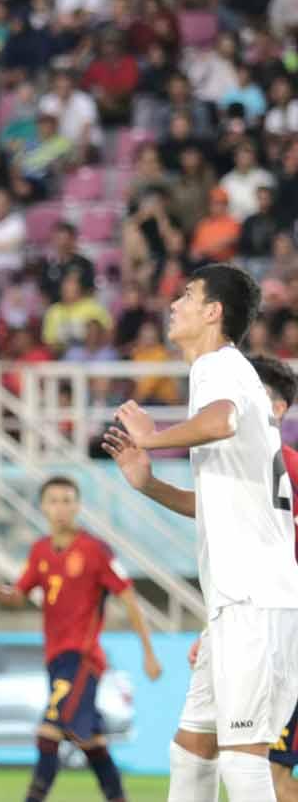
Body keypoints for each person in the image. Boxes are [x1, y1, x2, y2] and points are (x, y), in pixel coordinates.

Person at [102, 264, 298, 802]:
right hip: (239, 601)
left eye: (187, 296)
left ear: (213, 312)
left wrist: (155, 436)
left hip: (253, 599)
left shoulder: (217, 366)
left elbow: (219, 423)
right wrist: (149, 486)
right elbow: (220, 503)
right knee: (191, 752)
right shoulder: (228, 373)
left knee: (244, 760)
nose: (174, 305)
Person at [0, 476, 162, 802]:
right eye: (54, 501)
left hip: (83, 658)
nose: (61, 508)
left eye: (67, 500)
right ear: (43, 507)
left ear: (78, 506)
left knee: (48, 733)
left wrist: (148, 652)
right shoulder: (40, 550)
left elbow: (128, 597)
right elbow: (16, 597)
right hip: (56, 659)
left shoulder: (95, 550)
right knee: (89, 740)